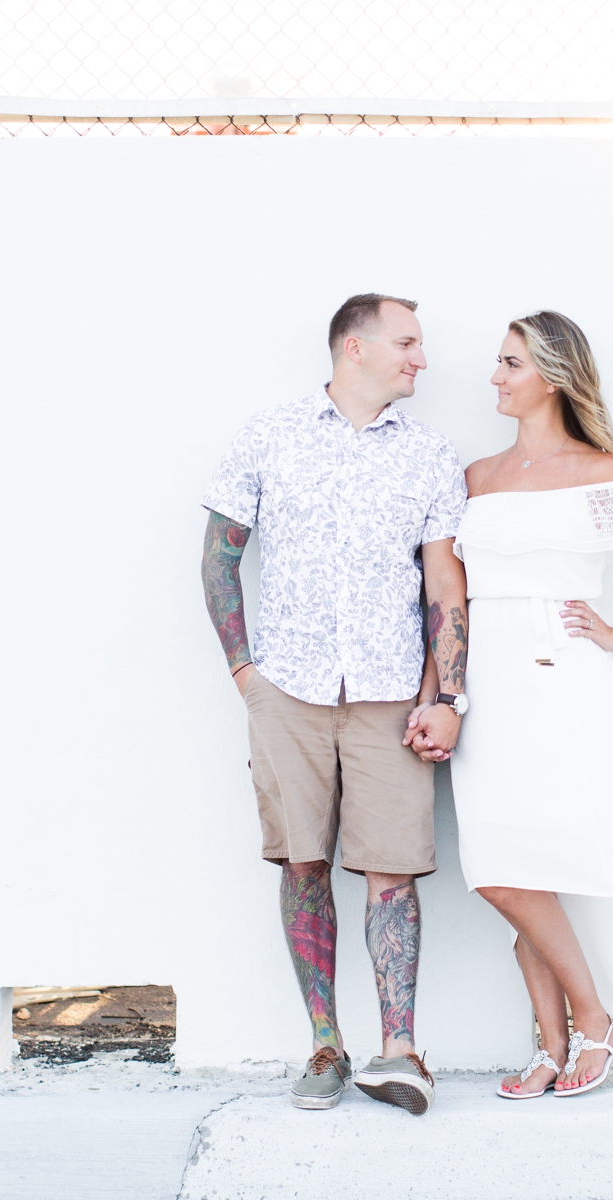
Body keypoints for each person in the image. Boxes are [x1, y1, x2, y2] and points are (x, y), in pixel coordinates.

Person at [413, 310, 613, 1098]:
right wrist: (436, 692)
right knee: (502, 865)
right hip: (484, 686)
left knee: (531, 863)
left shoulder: (602, 473)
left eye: (510, 363)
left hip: (562, 681)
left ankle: (592, 1024)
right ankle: (553, 1043)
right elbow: (444, 597)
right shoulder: (476, 478)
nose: (494, 376)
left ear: (552, 376)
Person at [199, 293, 469, 1114]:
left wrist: (449, 693)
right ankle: (325, 1046)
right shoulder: (268, 436)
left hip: (392, 695)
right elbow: (218, 560)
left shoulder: (429, 455)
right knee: (304, 863)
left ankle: (400, 1053)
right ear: (355, 347)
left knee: (393, 871)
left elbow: (445, 583)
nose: (421, 359)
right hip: (289, 689)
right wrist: (248, 674)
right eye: (408, 343)